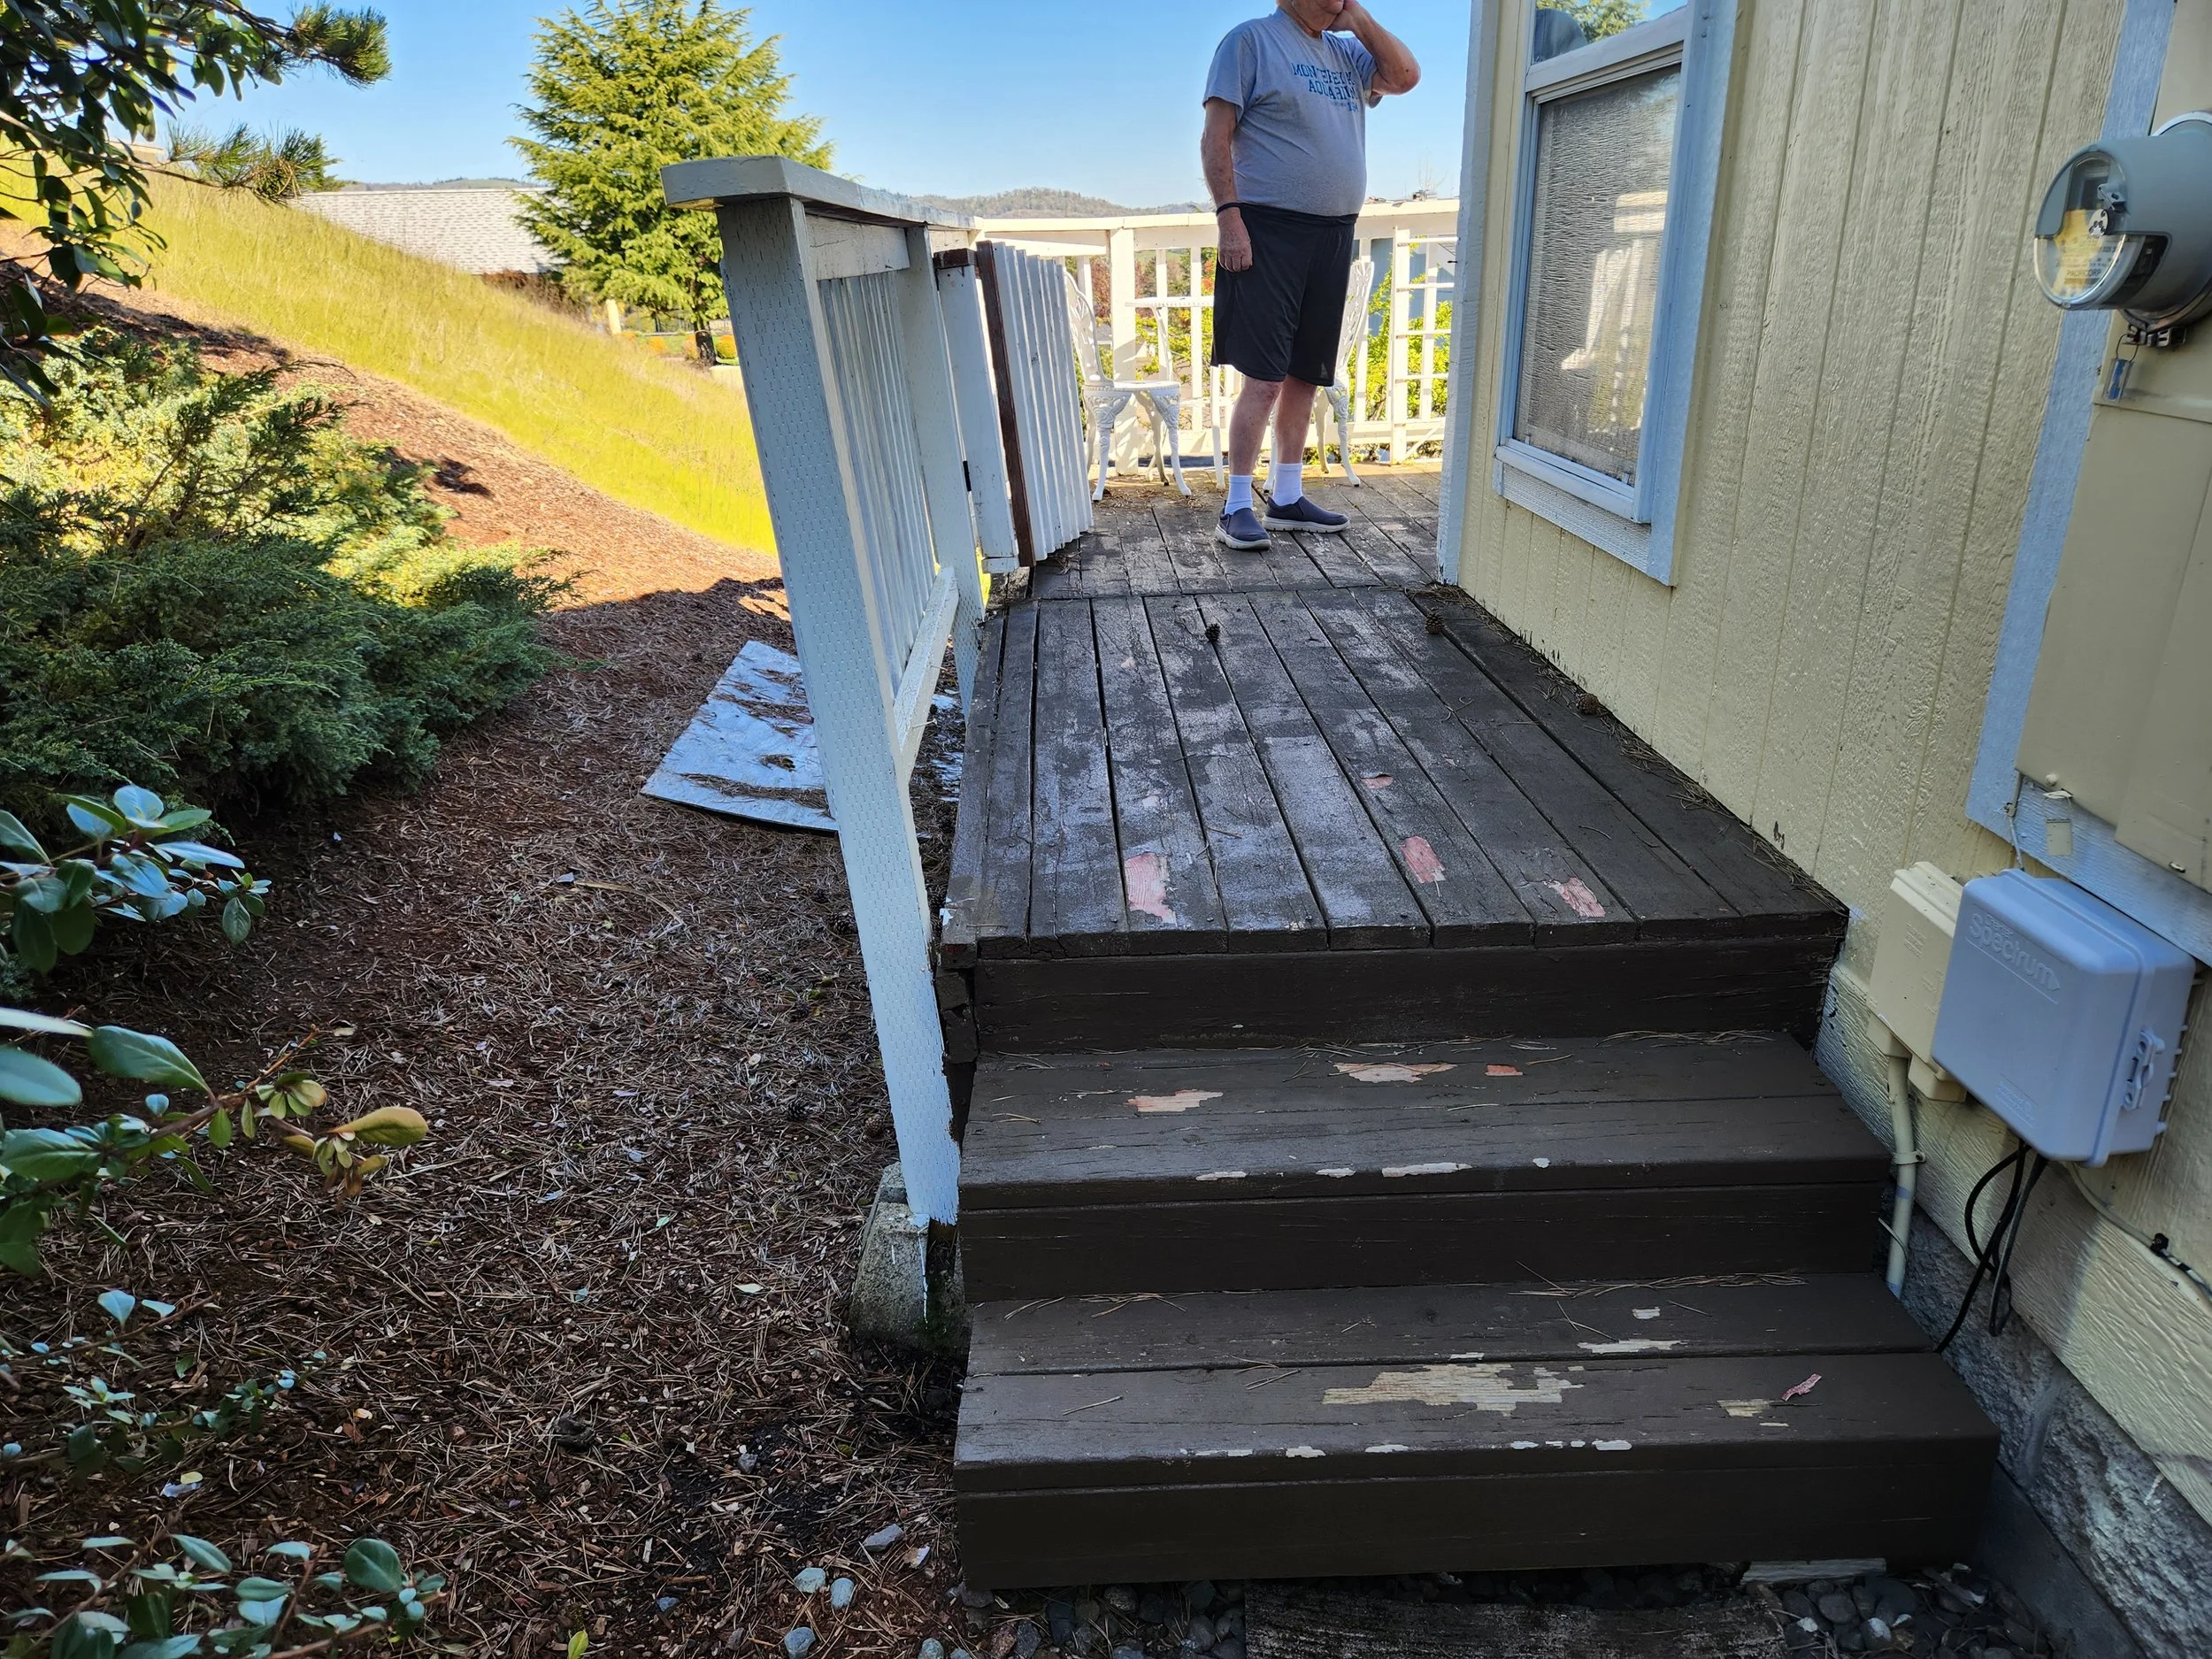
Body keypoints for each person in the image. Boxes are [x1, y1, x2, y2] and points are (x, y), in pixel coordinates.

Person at [1203, 1, 1421, 551]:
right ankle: (1235, 504)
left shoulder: (1348, 51)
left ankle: (1287, 497)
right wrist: (1229, 216)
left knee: (1306, 372)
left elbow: (1406, 77)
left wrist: (1362, 23)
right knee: (1266, 375)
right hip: (1267, 228)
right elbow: (1216, 137)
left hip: (1332, 233)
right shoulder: (1250, 42)